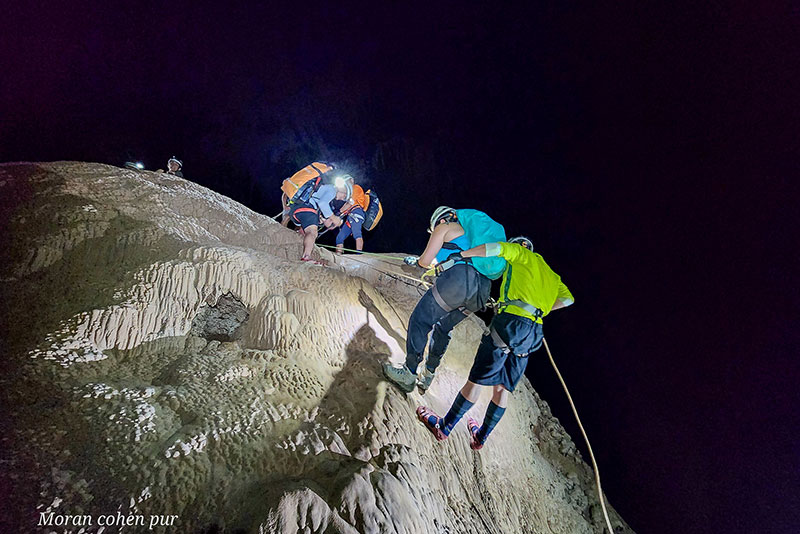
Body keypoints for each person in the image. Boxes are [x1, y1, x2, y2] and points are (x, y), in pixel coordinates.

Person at [415, 236, 574, 450]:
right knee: (502, 388)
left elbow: (494, 249)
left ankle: (444, 427)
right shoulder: (551, 274)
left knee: (477, 381)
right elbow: (568, 299)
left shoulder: (521, 254)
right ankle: (480, 437)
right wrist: (535, 309)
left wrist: (460, 255)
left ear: (521, 245)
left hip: (511, 324)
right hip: (533, 331)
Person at [382, 206, 502, 393]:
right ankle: (428, 374)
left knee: (420, 320)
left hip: (458, 283)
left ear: (440, 220)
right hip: (481, 292)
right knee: (443, 327)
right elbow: (447, 261)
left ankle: (409, 372)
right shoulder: (471, 237)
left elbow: (425, 260)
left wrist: (418, 262)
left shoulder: (444, 227)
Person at [289, 177, 352, 262]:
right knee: (312, 232)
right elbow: (322, 204)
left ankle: (296, 252)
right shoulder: (332, 190)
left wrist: (324, 220)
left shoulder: (324, 190)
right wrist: (334, 218)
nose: (341, 199)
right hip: (306, 208)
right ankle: (306, 257)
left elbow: (321, 208)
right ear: (342, 190)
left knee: (305, 232)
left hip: (297, 210)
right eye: (344, 197)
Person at [333, 179, 368, 254]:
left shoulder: (356, 188)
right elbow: (347, 206)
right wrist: (337, 215)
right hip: (350, 214)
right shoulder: (349, 192)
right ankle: (338, 255)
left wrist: (339, 212)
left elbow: (350, 203)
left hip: (356, 212)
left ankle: (359, 254)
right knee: (339, 237)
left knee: (357, 233)